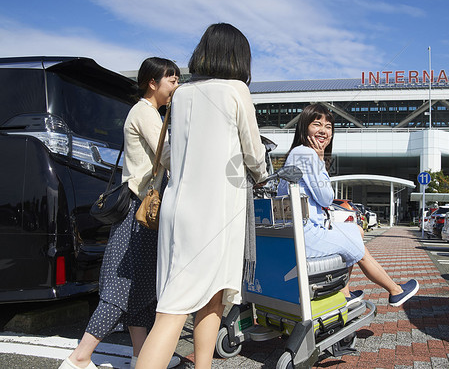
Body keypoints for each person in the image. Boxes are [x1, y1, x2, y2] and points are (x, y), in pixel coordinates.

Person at [135, 23, 268, 369]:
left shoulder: (182, 94)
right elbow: (254, 154)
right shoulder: (236, 90)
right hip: (215, 213)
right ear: (238, 57)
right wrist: (263, 175)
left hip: (178, 207)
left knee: (211, 298)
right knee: (175, 310)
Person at [59, 57, 181, 369]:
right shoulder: (145, 112)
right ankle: (79, 358)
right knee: (119, 289)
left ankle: (142, 359)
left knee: (141, 292)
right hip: (138, 214)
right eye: (172, 79)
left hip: (145, 215)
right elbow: (167, 154)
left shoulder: (152, 113)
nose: (176, 85)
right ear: (153, 83)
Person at [277, 103, 419, 307]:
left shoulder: (297, 153)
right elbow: (326, 197)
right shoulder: (306, 155)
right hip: (307, 237)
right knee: (356, 244)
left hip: (301, 233)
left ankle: (345, 292)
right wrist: (319, 158)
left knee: (356, 231)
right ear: (304, 128)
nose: (323, 131)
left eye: (328, 127)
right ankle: (394, 290)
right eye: (317, 124)